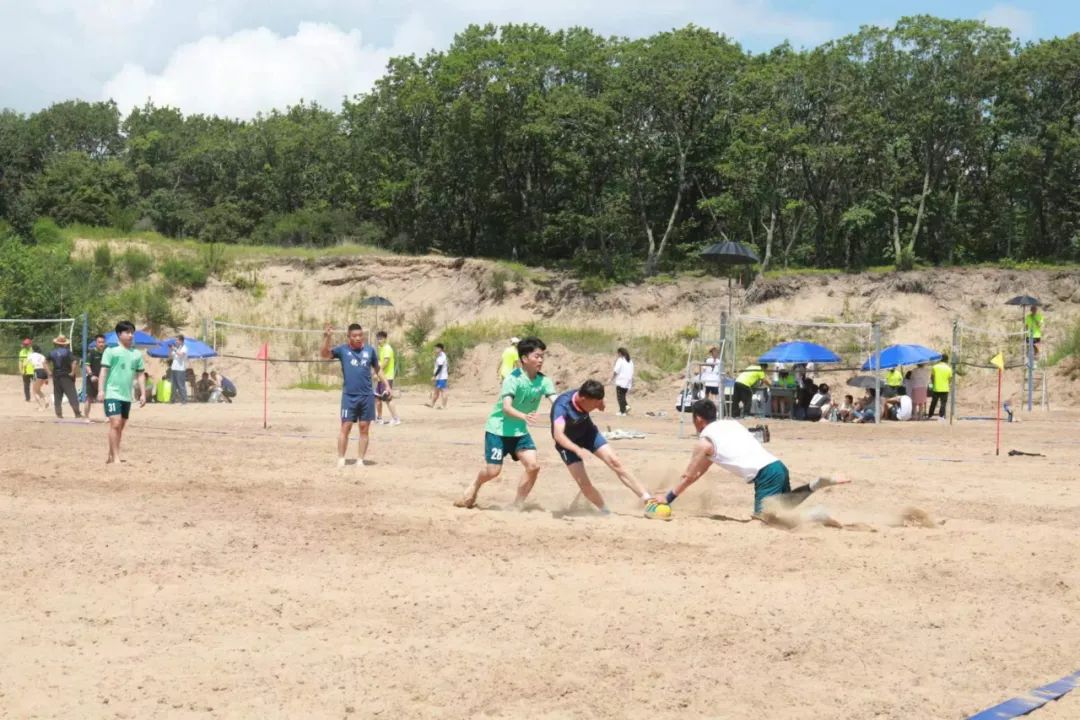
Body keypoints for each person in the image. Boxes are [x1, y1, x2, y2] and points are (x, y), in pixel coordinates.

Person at [652, 399, 848, 520]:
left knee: (764, 520)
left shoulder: (704, 443)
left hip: (764, 475)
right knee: (786, 505)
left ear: (698, 419)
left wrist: (668, 498)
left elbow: (689, 475)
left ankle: (815, 516)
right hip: (777, 466)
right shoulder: (729, 424)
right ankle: (815, 485)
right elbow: (697, 473)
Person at [455, 337, 557, 509]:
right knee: (493, 471)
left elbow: (556, 400)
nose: (540, 360)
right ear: (524, 358)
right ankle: (476, 484)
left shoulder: (544, 381)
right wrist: (525, 416)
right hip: (498, 430)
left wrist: (570, 410)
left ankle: (517, 504)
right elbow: (507, 408)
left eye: (542, 357)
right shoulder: (513, 378)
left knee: (533, 467)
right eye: (537, 356)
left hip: (519, 433)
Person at [550, 380, 654, 514]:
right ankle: (605, 511)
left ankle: (648, 499)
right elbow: (558, 435)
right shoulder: (562, 407)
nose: (596, 406)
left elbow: (598, 398)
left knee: (615, 462)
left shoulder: (588, 394)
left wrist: (601, 402)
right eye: (594, 403)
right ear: (583, 399)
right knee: (585, 485)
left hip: (588, 433)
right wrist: (575, 449)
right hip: (567, 445)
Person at [321, 323, 390, 469]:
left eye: (360, 335)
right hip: (349, 396)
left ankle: (360, 460)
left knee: (364, 428)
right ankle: (341, 459)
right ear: (349, 337)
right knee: (345, 427)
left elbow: (378, 369)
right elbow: (325, 355)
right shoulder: (343, 350)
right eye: (354, 336)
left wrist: (386, 385)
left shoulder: (370, 350)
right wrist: (327, 338)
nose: (358, 338)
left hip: (366, 396)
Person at [98, 320, 147, 464]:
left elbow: (140, 375)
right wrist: (101, 390)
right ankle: (116, 458)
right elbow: (103, 372)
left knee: (120, 427)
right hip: (112, 393)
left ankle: (111, 454)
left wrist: (143, 393)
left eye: (132, 332)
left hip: (127, 396)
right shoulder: (111, 351)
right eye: (127, 332)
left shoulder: (136, 354)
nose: (131, 335)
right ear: (119, 334)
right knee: (115, 423)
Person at [47, 335, 82, 419]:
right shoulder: (67, 352)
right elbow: (74, 362)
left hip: (56, 376)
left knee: (57, 395)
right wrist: (73, 372)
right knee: (72, 395)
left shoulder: (52, 352)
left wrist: (48, 372)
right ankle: (77, 413)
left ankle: (59, 414)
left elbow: (44, 362)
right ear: (65, 344)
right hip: (66, 376)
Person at [375, 331, 400, 425]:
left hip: (387, 377)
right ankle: (379, 418)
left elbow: (385, 362)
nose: (379, 340)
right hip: (380, 378)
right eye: (378, 338)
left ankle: (396, 418)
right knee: (377, 398)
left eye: (381, 338)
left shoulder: (387, 348)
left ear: (385, 339)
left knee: (387, 398)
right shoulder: (380, 348)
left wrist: (377, 372)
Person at [83, 334, 107, 421]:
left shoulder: (107, 352)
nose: (101, 344)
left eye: (103, 342)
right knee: (89, 398)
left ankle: (107, 417)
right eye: (99, 342)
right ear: (96, 343)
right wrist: (91, 375)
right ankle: (86, 417)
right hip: (92, 380)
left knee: (106, 398)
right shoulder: (92, 353)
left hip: (103, 380)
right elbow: (87, 366)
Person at [928, 353, 952, 419]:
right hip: (945, 388)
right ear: (947, 360)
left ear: (940, 359)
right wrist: (947, 383)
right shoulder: (948, 368)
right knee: (943, 403)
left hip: (936, 388)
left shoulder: (935, 367)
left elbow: (932, 377)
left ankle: (930, 415)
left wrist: (933, 384)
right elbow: (950, 379)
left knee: (933, 403)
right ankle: (941, 416)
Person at [611, 347, 634, 416]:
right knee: (623, 396)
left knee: (619, 396)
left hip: (621, 380)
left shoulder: (620, 360)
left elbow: (616, 370)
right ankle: (626, 407)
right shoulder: (630, 361)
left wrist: (612, 377)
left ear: (620, 353)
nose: (617, 355)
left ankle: (622, 411)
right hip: (628, 381)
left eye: (618, 353)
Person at [169, 335, 189, 404]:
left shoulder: (184, 348)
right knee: (173, 385)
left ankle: (184, 400)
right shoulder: (177, 348)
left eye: (177, 340)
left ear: (181, 341)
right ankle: (172, 400)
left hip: (180, 369)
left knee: (181, 385)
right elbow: (170, 357)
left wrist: (174, 349)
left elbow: (181, 355)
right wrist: (171, 350)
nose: (176, 341)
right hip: (173, 368)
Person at [28, 344, 49, 410]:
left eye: (31, 348)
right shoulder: (42, 355)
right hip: (44, 372)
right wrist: (47, 377)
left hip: (37, 371)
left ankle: (41, 406)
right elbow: (45, 364)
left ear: (33, 349)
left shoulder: (31, 355)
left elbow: (28, 363)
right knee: (38, 390)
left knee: (34, 391)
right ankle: (46, 400)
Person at [429, 343, 449, 409]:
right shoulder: (440, 356)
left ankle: (444, 406)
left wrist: (434, 376)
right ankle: (432, 404)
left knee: (443, 391)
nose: (435, 349)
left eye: (436, 348)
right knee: (436, 391)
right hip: (439, 377)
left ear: (440, 349)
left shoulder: (442, 356)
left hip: (441, 377)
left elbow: (440, 367)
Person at [19, 338, 33, 402]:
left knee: (36, 385)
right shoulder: (22, 351)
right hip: (25, 371)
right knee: (26, 385)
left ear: (30, 344)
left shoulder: (33, 350)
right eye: (25, 344)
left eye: (27, 344)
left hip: (33, 370)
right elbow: (20, 362)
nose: (25, 345)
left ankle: (37, 397)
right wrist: (21, 370)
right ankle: (28, 398)